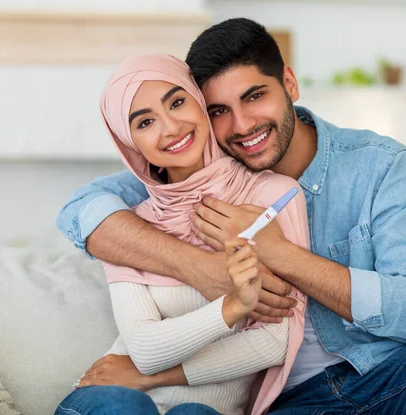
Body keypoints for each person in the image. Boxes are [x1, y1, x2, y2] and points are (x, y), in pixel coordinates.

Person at [57, 18, 406, 415]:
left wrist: (279, 254)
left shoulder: (380, 166)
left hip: (387, 381)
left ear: (290, 85)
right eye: (219, 110)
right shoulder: (192, 175)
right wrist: (205, 270)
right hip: (286, 402)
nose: (242, 126)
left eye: (255, 96)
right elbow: (83, 212)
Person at [55, 54, 310, 415]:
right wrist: (234, 306)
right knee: (123, 405)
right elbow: (143, 348)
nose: (171, 127)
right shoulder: (130, 226)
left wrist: (152, 378)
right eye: (145, 122)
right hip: (111, 400)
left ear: (200, 103)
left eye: (177, 102)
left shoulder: (271, 197)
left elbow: (276, 341)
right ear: (132, 146)